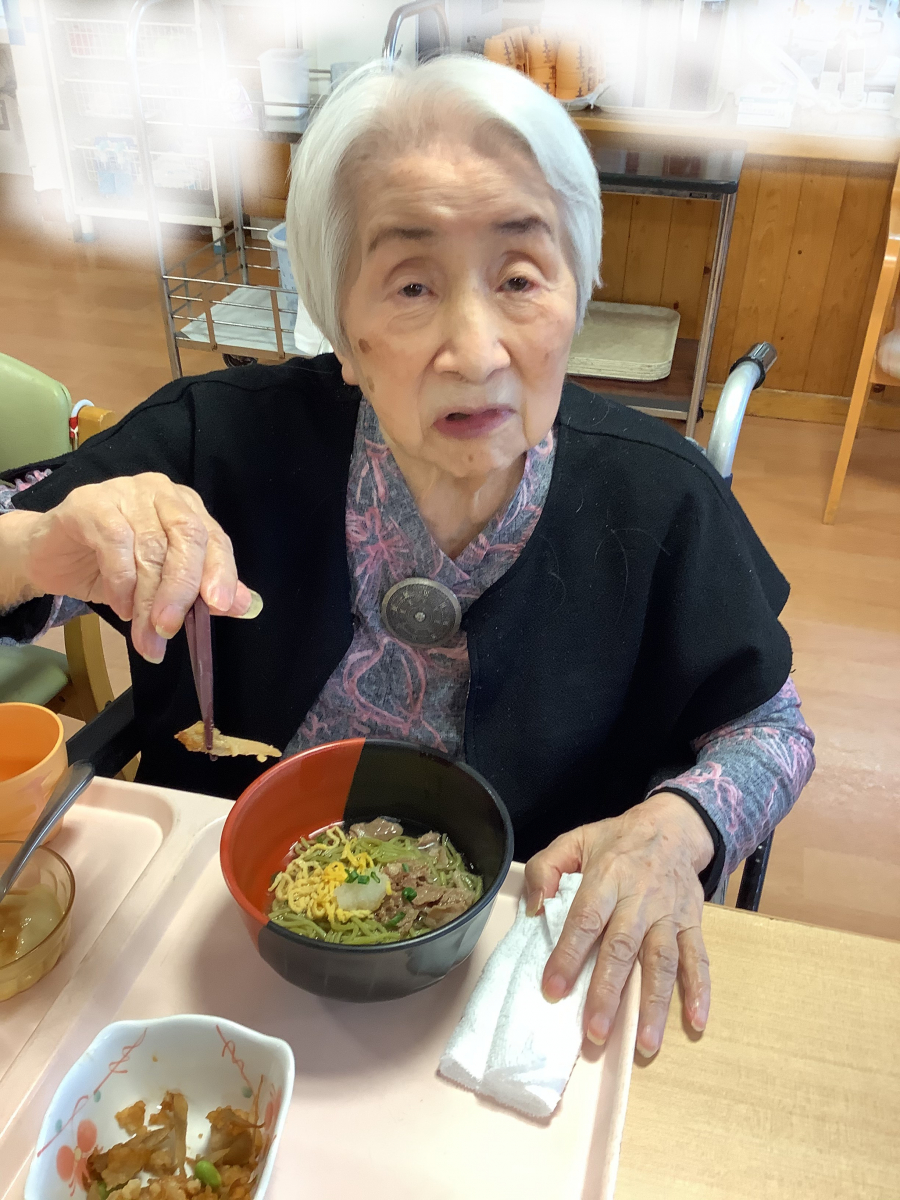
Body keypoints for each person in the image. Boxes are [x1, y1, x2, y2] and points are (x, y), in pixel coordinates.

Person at [0, 56, 814, 1057]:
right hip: (220, 939)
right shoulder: (223, 440)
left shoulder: (659, 497)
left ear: (577, 296)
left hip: (518, 963)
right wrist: (34, 545)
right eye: (413, 284)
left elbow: (771, 728)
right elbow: (19, 551)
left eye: (520, 277)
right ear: (342, 330)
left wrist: (678, 827)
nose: (476, 351)